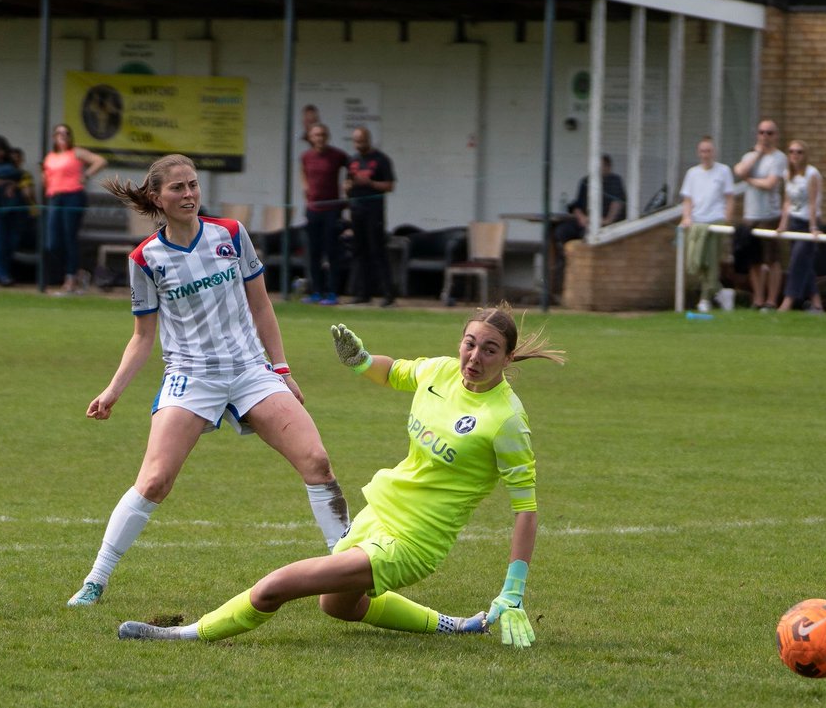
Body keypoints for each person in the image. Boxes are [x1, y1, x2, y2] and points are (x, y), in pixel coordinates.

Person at [117, 304, 564, 649]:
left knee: (277, 586)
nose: (474, 357)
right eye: (469, 343)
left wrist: (513, 590)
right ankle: (462, 624)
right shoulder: (440, 371)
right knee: (338, 606)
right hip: (378, 516)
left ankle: (182, 635)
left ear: (507, 358)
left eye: (489, 350)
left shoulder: (507, 420)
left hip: (413, 542)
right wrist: (361, 359)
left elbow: (525, 510)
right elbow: (393, 373)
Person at [66, 154, 351, 607]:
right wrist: (112, 391)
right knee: (155, 480)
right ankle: (96, 580)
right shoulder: (145, 258)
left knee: (316, 461)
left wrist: (281, 370)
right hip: (190, 378)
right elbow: (143, 337)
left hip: (249, 372)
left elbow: (261, 307)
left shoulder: (231, 235)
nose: (189, 194)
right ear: (158, 197)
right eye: (177, 188)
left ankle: (348, 567)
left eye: (193, 185)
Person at [43, 123, 106, 296]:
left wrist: (85, 176)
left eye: (66, 133)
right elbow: (47, 178)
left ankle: (70, 280)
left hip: (73, 196)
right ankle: (78, 273)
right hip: (55, 198)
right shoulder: (50, 156)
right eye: (59, 133)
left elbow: (100, 161)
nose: (62, 135)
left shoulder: (76, 152)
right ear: (54, 137)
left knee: (69, 237)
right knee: (53, 243)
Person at [553, 155, 626, 301]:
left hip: (605, 226)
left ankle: (584, 270)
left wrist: (606, 220)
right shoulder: (586, 182)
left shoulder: (614, 181)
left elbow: (617, 203)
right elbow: (576, 205)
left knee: (586, 236)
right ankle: (564, 261)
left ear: (608, 167)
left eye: (601, 166)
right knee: (560, 231)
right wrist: (581, 216)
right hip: (586, 223)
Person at [733, 119, 788, 310]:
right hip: (751, 215)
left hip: (769, 215)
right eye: (762, 132)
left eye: (769, 133)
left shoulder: (779, 158)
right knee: (754, 260)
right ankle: (757, 299)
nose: (765, 136)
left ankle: (772, 300)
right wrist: (757, 154)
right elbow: (739, 170)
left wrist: (749, 180)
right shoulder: (750, 155)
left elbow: (770, 183)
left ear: (776, 136)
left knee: (772, 260)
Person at [679, 137, 736, 313]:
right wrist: (686, 218)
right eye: (703, 151)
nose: (706, 155)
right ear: (698, 153)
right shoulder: (692, 173)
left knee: (711, 262)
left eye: (708, 151)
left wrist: (726, 219)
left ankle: (705, 299)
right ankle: (720, 291)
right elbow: (687, 200)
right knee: (696, 261)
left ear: (714, 152)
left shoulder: (723, 171)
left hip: (715, 221)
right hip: (697, 223)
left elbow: (729, 198)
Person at [344, 126, 397, 307]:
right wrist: (348, 187)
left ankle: (388, 295)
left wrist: (369, 183)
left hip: (374, 214)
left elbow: (390, 186)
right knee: (359, 253)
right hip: (356, 212)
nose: (359, 144)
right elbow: (349, 183)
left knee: (378, 252)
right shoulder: (352, 161)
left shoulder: (381, 160)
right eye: (356, 141)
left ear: (369, 139)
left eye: (362, 140)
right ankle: (362, 293)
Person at [299, 122, 349, 306]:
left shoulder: (337, 155)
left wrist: (348, 186)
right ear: (310, 138)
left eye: (322, 135)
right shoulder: (306, 157)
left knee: (332, 252)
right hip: (313, 209)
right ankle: (316, 291)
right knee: (313, 252)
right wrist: (305, 187)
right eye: (315, 135)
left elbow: (352, 168)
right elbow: (303, 174)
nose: (319, 138)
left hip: (331, 209)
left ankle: (332, 292)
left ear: (326, 136)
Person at [776, 140, 824, 313]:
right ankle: (817, 304)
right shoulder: (787, 174)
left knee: (797, 262)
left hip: (807, 222)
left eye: (799, 152)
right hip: (795, 222)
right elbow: (787, 201)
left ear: (805, 155)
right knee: (805, 264)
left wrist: (813, 227)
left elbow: (812, 203)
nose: (795, 155)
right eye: (792, 151)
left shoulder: (811, 174)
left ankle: (787, 301)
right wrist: (783, 224)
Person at [0, 135, 25, 286]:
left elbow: (20, 179)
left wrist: (13, 185)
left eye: (1, 150)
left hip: (14, 205)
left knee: (13, 240)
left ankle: (1, 270)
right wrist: (8, 182)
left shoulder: (11, 162)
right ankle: (3, 273)